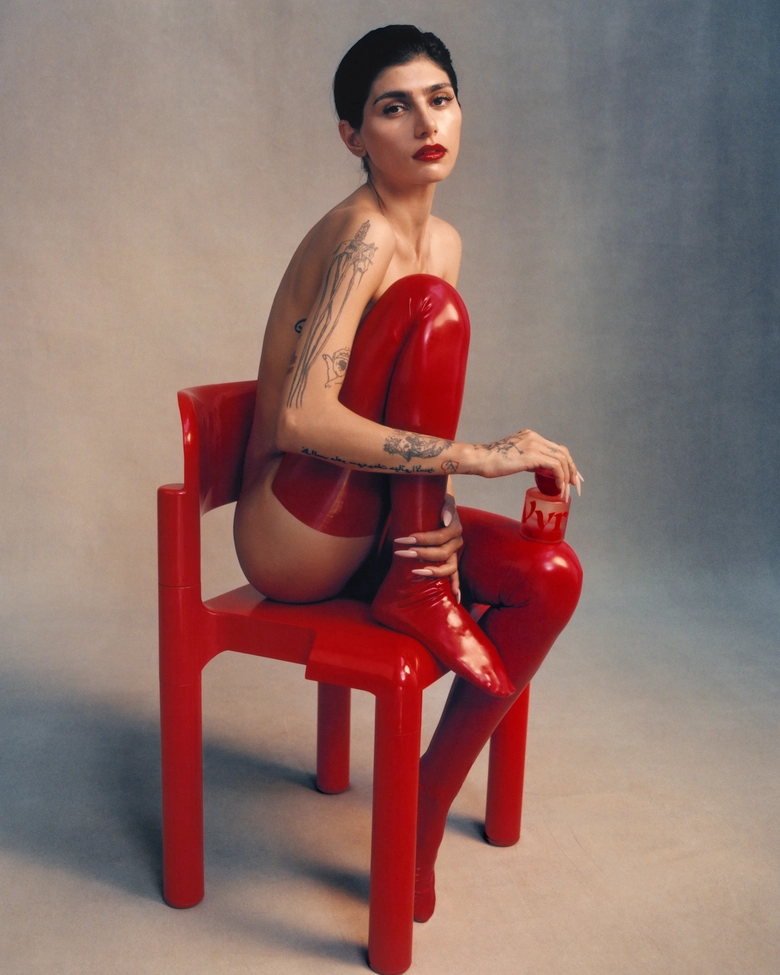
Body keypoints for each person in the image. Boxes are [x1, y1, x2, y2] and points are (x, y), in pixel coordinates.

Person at [234, 25, 583, 922]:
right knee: (433, 307)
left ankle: (423, 806)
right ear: (352, 135)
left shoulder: (444, 241)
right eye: (395, 108)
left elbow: (408, 405)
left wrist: (446, 506)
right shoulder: (363, 234)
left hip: (377, 525)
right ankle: (415, 586)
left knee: (551, 576)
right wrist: (477, 456)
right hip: (293, 532)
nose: (427, 123)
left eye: (441, 99)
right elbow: (303, 419)